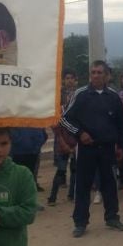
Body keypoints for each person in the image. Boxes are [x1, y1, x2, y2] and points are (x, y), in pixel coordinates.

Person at [60, 60, 123, 238]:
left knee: (110, 184)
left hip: (107, 148)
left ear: (106, 75)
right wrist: (80, 133)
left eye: (99, 72)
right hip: (85, 148)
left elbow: (121, 124)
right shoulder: (80, 94)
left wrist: (119, 145)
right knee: (83, 185)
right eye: (93, 72)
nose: (96, 75)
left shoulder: (113, 96)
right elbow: (65, 119)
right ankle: (80, 222)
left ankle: (112, 217)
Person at [49, 69, 78, 206]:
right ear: (64, 80)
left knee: (74, 169)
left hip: (75, 138)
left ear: (76, 80)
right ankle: (52, 197)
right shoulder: (57, 98)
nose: (70, 80)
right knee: (60, 169)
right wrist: (61, 139)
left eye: (72, 78)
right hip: (61, 138)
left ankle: (72, 195)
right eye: (67, 78)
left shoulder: (79, 96)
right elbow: (55, 122)